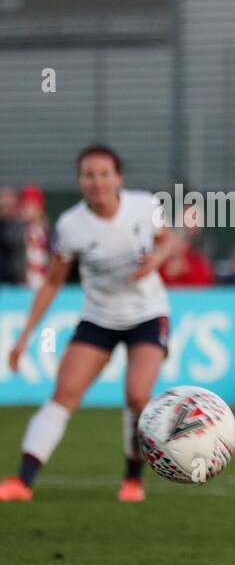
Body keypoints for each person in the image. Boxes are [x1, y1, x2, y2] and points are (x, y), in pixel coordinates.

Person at [1, 145, 179, 503]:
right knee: (63, 394)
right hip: (99, 318)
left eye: (103, 173)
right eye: (88, 174)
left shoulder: (144, 206)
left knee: (137, 395)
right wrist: (24, 339)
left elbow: (168, 240)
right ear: (79, 180)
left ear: (118, 178)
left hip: (147, 314)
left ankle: (132, 480)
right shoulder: (71, 226)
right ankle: (23, 481)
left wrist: (155, 259)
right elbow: (52, 282)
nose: (96, 181)